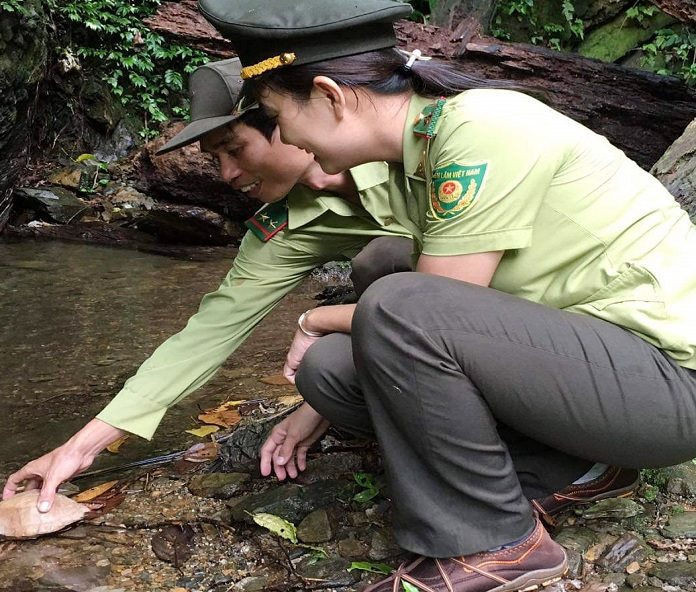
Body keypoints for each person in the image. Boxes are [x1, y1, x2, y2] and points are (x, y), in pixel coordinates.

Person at [199, 1, 696, 591]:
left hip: (670, 385)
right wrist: (317, 388)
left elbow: (428, 307)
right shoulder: (420, 152)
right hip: (599, 372)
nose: (284, 139)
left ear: (330, 97)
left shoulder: (481, 127)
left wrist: (317, 317)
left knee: (400, 305)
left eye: (279, 119)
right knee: (331, 371)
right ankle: (572, 468)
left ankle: (494, 543)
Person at [0, 58, 415, 508]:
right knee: (322, 369)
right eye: (216, 159)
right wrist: (81, 448)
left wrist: (318, 320)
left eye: (235, 150)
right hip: (421, 326)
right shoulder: (283, 228)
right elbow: (208, 333)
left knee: (382, 259)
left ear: (287, 121)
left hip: (465, 312)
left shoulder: (408, 142)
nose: (226, 175)